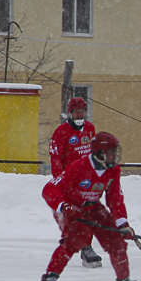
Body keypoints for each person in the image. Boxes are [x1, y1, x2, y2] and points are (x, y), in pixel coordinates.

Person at [37, 132, 141, 281]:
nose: (114, 155)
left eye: (114, 150)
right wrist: (64, 206)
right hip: (70, 207)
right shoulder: (78, 167)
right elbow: (49, 190)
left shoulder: (113, 170)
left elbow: (115, 199)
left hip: (93, 207)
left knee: (116, 242)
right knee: (75, 240)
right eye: (110, 151)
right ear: (98, 152)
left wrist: (122, 224)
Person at [48, 96, 103, 268]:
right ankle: (83, 247)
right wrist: (61, 179)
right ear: (70, 113)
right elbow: (56, 158)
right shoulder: (61, 132)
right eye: (76, 112)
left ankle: (85, 246)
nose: (80, 115)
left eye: (82, 111)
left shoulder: (90, 129)